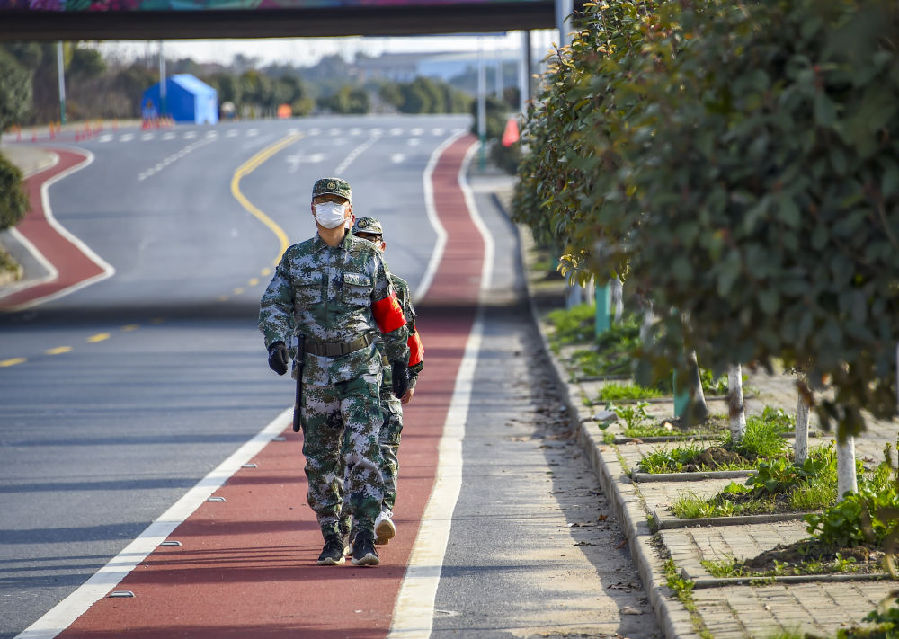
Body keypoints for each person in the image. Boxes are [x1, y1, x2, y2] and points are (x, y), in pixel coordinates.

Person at [258, 177, 411, 567]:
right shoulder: (296, 258)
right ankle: (332, 535)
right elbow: (275, 303)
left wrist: (399, 362)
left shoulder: (367, 256)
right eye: (323, 202)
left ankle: (364, 537)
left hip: (360, 367)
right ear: (312, 210)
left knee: (364, 451)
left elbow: (389, 313)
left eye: (337, 202)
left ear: (349, 211)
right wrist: (276, 342)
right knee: (321, 461)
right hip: (315, 374)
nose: (330, 208)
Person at [343, 216, 424, 547]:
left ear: (383, 245)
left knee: (387, 446)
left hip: (389, 378)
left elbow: (410, 333)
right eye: (360, 238)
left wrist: (411, 374)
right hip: (349, 380)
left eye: (372, 239)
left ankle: (382, 514)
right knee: (351, 449)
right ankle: (355, 515)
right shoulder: (341, 285)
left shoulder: (397, 286)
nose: (367, 244)